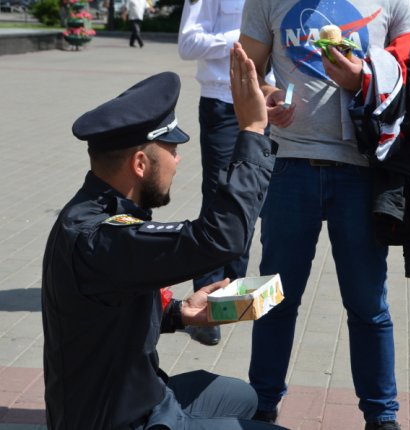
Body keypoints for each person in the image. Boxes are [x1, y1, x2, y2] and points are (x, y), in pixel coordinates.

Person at [41, 45, 286, 430]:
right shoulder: (100, 237)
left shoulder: (98, 212)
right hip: (121, 420)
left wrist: (179, 314)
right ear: (140, 164)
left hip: (137, 396)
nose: (178, 159)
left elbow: (114, 300)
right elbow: (222, 239)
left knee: (243, 396)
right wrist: (252, 131)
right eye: (171, 149)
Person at [238, 1, 410, 429]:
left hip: (362, 169)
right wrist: (266, 97)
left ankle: (382, 416)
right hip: (289, 165)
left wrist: (365, 79)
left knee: (367, 304)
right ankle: (262, 404)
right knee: (273, 297)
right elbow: (246, 72)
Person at [177, 0, 247, 346]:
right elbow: (187, 44)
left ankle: (236, 293)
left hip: (269, 101)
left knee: (251, 197)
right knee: (220, 197)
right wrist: (244, 36)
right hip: (222, 101)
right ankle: (205, 304)